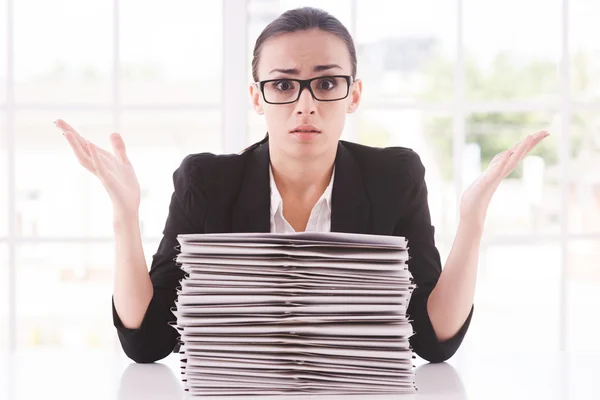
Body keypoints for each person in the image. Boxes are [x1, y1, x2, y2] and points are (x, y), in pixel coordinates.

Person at [55, 7, 548, 364]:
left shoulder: (394, 177)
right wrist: (124, 215)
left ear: (354, 95)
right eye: (284, 84)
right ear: (256, 96)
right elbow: (147, 343)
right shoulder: (205, 181)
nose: (305, 105)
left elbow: (433, 340)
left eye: (327, 83)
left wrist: (472, 220)